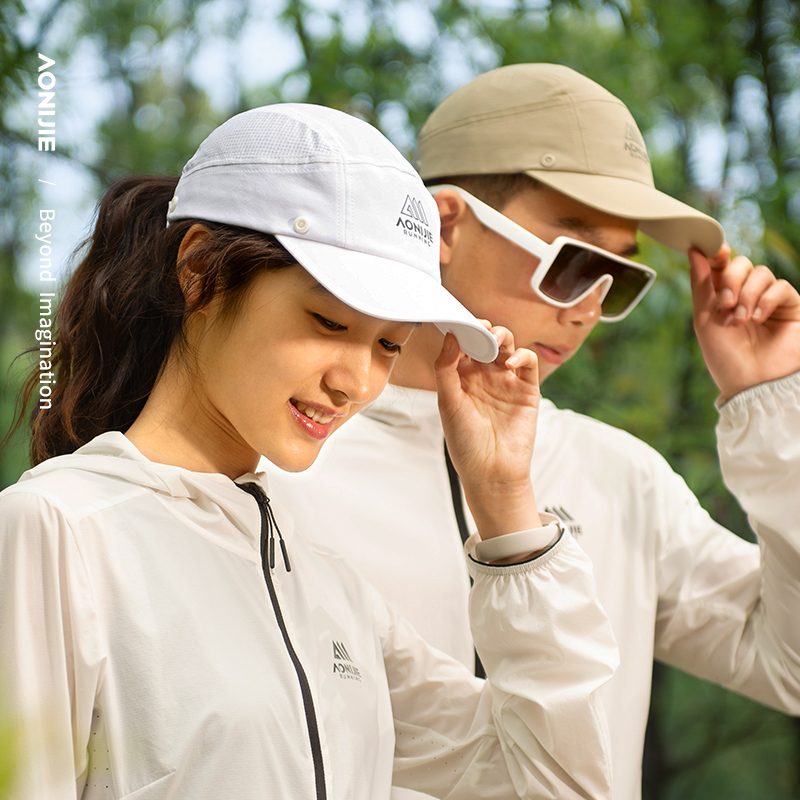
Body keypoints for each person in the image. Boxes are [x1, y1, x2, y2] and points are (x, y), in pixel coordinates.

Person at [0, 102, 620, 800]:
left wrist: (504, 501)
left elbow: (557, 782)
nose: (356, 382)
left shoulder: (329, 590)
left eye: (389, 343)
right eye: (328, 321)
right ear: (200, 269)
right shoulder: (58, 531)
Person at [263, 65, 800, 800]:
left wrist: (771, 406)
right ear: (445, 225)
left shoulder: (618, 475)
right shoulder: (282, 460)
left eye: (621, 279)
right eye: (574, 263)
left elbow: (790, 665)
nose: (587, 309)